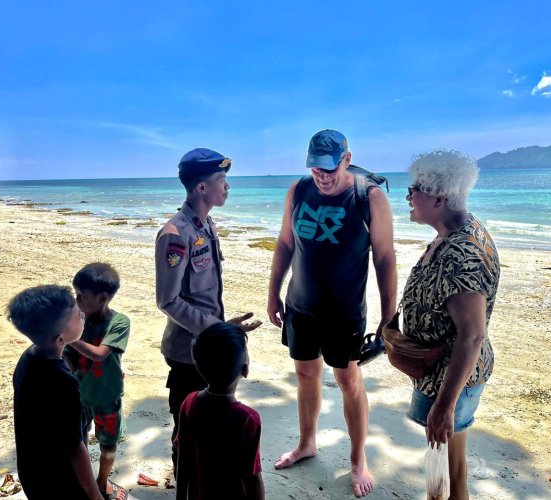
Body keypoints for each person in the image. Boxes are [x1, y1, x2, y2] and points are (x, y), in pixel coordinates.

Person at [267, 129, 397, 497]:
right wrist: (273, 294)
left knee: (348, 381)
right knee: (305, 374)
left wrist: (389, 317)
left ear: (346, 159)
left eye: (329, 168)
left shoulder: (369, 197)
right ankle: (307, 443)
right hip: (301, 306)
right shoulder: (299, 190)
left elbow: (385, 258)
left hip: (344, 312)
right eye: (315, 169)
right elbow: (285, 243)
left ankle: (358, 460)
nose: (322, 176)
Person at [401, 149, 500, 500]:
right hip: (442, 375)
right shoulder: (452, 232)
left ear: (439, 198)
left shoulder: (463, 253)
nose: (408, 196)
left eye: (415, 189)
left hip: (451, 379)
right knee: (447, 463)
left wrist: (444, 406)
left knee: (444, 466)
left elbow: (472, 335)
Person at [155, 148, 261, 471]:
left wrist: (222, 329)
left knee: (210, 428)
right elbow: (168, 300)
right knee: (187, 432)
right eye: (221, 180)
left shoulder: (205, 225)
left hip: (209, 344)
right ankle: (186, 485)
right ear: (201, 187)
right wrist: (218, 329)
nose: (227, 186)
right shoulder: (175, 235)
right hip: (188, 353)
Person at [8, 285, 104, 500]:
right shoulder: (61, 381)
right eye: (77, 315)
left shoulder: (29, 358)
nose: (82, 313)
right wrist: (95, 494)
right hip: (60, 481)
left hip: (34, 471)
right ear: (61, 339)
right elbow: (75, 449)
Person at [174, 321, 264, 500]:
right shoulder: (248, 418)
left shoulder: (189, 402)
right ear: (245, 370)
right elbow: (253, 478)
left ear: (198, 365)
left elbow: (182, 459)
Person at [66, 263, 130, 500]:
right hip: (80, 394)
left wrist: (67, 336)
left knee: (108, 443)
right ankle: (82, 484)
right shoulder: (78, 320)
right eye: (75, 293)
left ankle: (102, 482)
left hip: (106, 395)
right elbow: (69, 358)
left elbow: (100, 354)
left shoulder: (119, 322)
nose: (76, 300)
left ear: (103, 298)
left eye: (81, 295)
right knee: (77, 440)